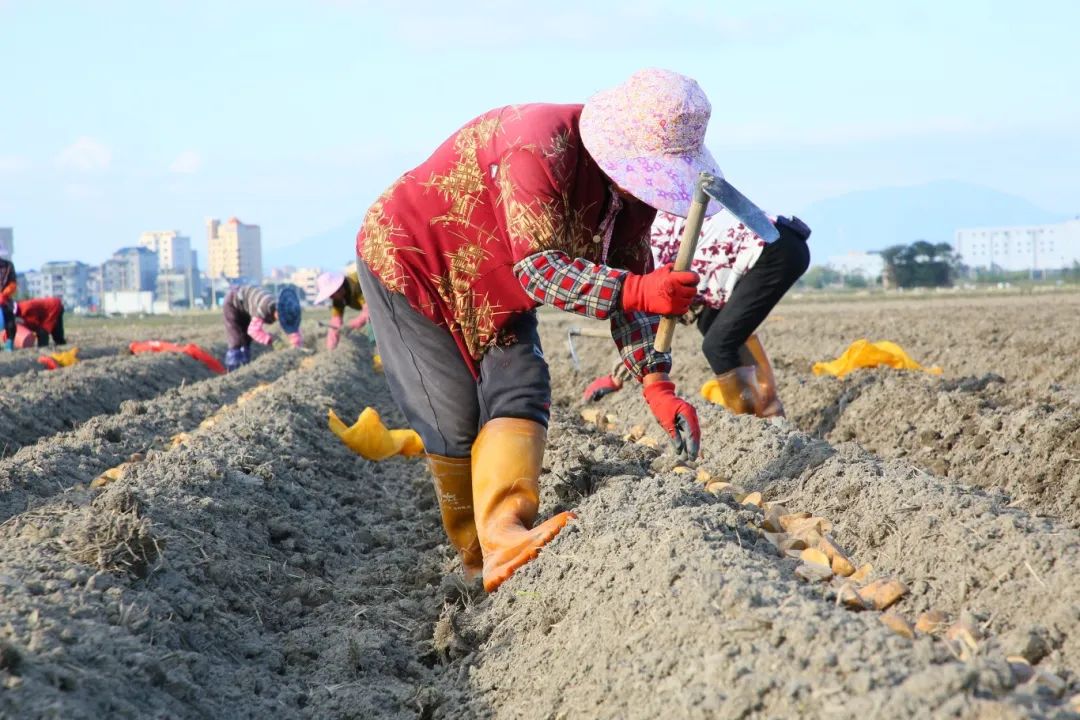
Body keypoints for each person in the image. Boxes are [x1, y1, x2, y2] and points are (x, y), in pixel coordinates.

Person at [355, 68, 777, 591]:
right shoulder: (539, 145)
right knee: (453, 416)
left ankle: (505, 532)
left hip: (492, 280)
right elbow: (540, 270)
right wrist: (641, 290)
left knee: (522, 383)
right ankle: (473, 558)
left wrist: (656, 381)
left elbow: (630, 282)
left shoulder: (630, 201)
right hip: (414, 263)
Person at [583, 210, 811, 417]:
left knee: (718, 345)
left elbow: (652, 321)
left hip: (774, 249)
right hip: (781, 242)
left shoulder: (643, 246)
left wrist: (621, 372)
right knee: (711, 323)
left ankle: (758, 423)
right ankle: (769, 412)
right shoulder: (645, 224)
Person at [222, 285, 303, 372]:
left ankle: (244, 366)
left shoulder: (288, 309)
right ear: (278, 310)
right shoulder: (264, 308)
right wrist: (271, 340)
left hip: (246, 306)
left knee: (246, 340)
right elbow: (253, 331)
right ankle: (233, 368)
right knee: (237, 340)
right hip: (233, 303)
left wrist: (296, 347)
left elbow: (293, 330)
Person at [313, 269, 369, 350]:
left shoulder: (357, 283)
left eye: (331, 294)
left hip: (387, 299)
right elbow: (335, 322)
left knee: (372, 328)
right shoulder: (338, 298)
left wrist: (350, 326)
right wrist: (331, 349)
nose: (330, 297)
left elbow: (369, 312)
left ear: (338, 288)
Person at [0, 254, 16, 352]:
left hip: (5, 301)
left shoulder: (8, 266)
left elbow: (13, 284)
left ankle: (9, 344)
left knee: (10, 325)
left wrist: (3, 294)